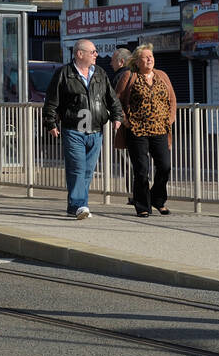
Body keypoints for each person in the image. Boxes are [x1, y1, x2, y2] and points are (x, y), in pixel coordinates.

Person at [43, 39, 124, 220]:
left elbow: (112, 98)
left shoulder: (100, 73)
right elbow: (52, 101)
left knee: (87, 171)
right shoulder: (64, 73)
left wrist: (117, 116)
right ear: (80, 54)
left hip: (95, 130)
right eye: (93, 52)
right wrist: (51, 123)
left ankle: (78, 206)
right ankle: (79, 205)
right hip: (73, 130)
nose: (96, 55)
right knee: (77, 169)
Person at [115, 44, 177, 217]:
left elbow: (172, 99)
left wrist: (169, 120)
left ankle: (157, 199)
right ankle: (142, 205)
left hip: (159, 129)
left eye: (151, 56)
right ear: (137, 61)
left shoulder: (161, 76)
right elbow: (116, 101)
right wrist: (127, 122)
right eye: (145, 57)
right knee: (141, 170)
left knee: (164, 166)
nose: (150, 59)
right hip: (137, 131)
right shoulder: (129, 76)